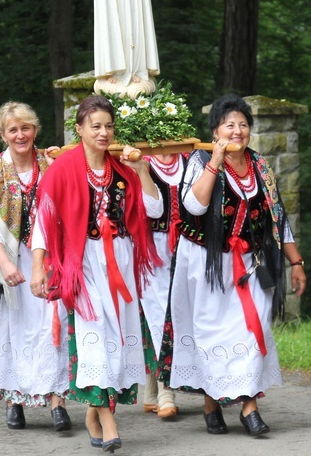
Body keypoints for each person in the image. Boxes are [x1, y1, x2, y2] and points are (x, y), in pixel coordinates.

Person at [158, 94, 306, 437]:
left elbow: (277, 218)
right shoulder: (200, 159)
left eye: (243, 125)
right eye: (230, 125)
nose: (237, 131)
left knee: (253, 332)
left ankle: (249, 408)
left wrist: (295, 261)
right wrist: (216, 161)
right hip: (205, 263)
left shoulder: (260, 166)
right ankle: (211, 404)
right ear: (215, 131)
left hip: (247, 265)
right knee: (211, 335)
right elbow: (193, 206)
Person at [30, 95, 163, 453]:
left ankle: (93, 412)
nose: (104, 132)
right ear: (80, 129)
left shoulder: (121, 169)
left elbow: (154, 209)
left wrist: (142, 170)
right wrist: (37, 267)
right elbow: (44, 221)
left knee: (117, 343)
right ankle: (107, 420)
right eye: (96, 126)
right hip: (82, 262)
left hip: (119, 260)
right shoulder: (63, 168)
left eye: (108, 126)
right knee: (94, 340)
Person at [0, 101, 71, 432]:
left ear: (35, 130)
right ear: (3, 135)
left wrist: (63, 162)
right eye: (13, 130)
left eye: (26, 128)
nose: (21, 135)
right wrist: (5, 264)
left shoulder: (51, 164)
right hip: (8, 263)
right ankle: (14, 402)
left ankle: (58, 403)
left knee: (53, 326)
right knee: (12, 330)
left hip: (49, 259)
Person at [140, 153, 188, 420]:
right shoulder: (137, 160)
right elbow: (150, 210)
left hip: (188, 246)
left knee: (179, 314)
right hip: (151, 247)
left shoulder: (191, 158)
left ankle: (151, 390)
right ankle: (165, 388)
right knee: (158, 314)